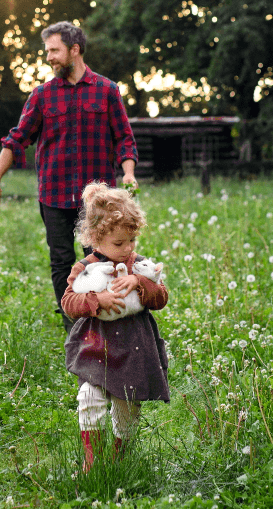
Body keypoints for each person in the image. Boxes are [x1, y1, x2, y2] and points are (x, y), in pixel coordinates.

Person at [0, 21, 137, 331]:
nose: (49, 57)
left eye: (54, 50)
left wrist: (128, 172)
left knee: (103, 258)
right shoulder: (42, 96)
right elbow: (17, 139)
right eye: (47, 50)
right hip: (54, 194)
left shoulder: (107, 90)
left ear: (74, 50)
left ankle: (108, 321)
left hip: (98, 200)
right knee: (61, 262)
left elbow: (124, 138)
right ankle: (75, 327)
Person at [60, 182, 169, 473]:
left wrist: (140, 282)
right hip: (97, 345)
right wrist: (97, 299)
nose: (127, 249)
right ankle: (92, 461)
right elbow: (68, 302)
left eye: (131, 241)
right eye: (119, 244)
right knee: (89, 398)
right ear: (95, 239)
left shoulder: (140, 266)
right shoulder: (84, 268)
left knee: (127, 406)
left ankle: (120, 457)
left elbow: (161, 298)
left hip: (134, 348)